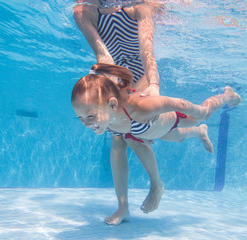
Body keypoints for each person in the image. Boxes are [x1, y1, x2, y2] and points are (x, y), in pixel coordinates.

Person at [73, 0, 165, 225]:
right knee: (117, 139)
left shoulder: (142, 7)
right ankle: (123, 206)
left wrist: (154, 85)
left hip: (141, 72)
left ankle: (156, 184)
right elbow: (103, 57)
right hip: (112, 72)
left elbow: (147, 50)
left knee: (134, 133)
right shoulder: (84, 12)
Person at [71, 62, 241, 160]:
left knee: (205, 113)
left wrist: (197, 112)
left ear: (112, 105)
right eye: (80, 117)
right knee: (178, 137)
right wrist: (141, 137)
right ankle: (200, 132)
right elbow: (124, 129)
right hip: (154, 131)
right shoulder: (106, 119)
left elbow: (178, 103)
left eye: (90, 116)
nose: (86, 123)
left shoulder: (141, 108)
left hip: (173, 118)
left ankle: (227, 96)